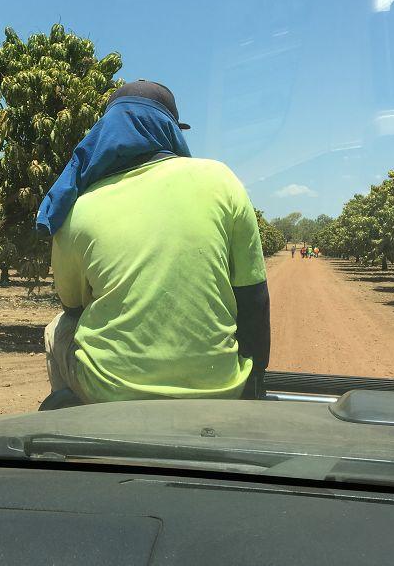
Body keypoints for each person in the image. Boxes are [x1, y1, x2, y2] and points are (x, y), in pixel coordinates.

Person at [37, 80, 270, 404]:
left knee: (57, 328)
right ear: (172, 131)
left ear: (107, 132)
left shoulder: (78, 207)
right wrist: (253, 385)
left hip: (109, 395)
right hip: (222, 388)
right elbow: (254, 300)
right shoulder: (221, 180)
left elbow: (73, 307)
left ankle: (72, 418)